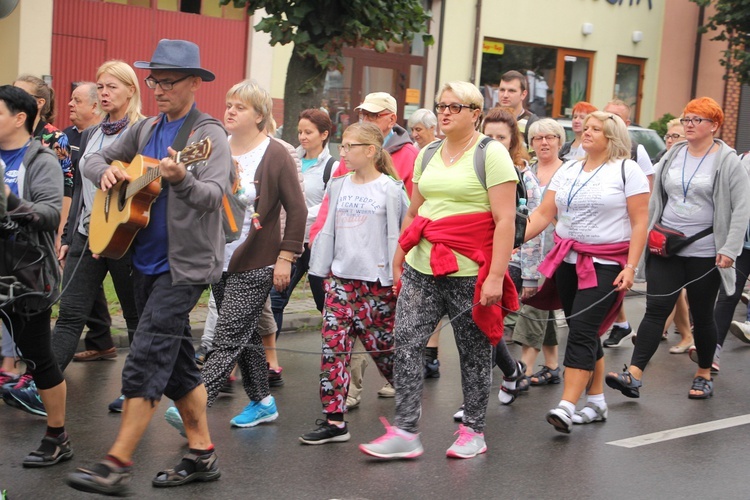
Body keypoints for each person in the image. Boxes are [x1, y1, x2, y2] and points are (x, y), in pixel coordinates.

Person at [66, 39, 231, 495]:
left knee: (146, 354)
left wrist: (183, 178)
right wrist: (107, 174)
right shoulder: (146, 128)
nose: (157, 88)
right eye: (154, 79)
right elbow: (94, 156)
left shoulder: (208, 135)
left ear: (195, 83)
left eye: (169, 81)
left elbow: (214, 197)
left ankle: (116, 463)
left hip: (187, 266)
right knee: (177, 364)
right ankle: (202, 454)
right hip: (144, 260)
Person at [359, 81, 519, 460]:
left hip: (469, 269)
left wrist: (496, 276)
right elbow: (415, 210)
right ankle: (405, 430)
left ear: (475, 112)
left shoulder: (491, 154)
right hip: (421, 265)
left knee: (475, 352)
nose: (444, 112)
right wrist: (400, 253)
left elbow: (505, 219)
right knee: (407, 342)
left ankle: (473, 431)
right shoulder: (428, 152)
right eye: (441, 105)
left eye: (454, 106)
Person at [606, 97, 750, 401]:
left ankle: (703, 374)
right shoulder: (674, 154)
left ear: (714, 125)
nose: (689, 125)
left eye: (697, 120)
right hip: (666, 247)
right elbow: (650, 187)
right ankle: (633, 375)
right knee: (656, 309)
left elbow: (741, 208)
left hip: (706, 251)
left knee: (702, 315)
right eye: (686, 119)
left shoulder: (728, 161)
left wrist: (730, 248)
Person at [523, 111, 650, 433]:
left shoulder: (627, 170)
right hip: (567, 262)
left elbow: (639, 223)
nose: (587, 132)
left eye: (597, 129)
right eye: (587, 127)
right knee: (586, 330)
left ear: (613, 137)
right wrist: (510, 241)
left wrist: (631, 267)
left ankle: (566, 405)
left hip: (607, 264)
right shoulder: (569, 169)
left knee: (579, 331)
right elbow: (543, 213)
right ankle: (596, 402)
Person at [191, 79, 306, 429]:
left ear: (260, 116)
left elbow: (297, 210)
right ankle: (262, 401)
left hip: (257, 259)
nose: (230, 111)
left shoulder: (276, 154)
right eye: (228, 104)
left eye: (239, 107)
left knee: (226, 338)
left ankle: (194, 406)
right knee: (247, 332)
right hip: (217, 259)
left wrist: (286, 257)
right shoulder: (213, 148)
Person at [299, 122, 409, 445]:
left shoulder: (391, 189)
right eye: (342, 146)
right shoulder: (339, 185)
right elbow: (328, 227)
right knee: (333, 351)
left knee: (386, 354)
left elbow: (403, 235)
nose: (342, 153)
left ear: (371, 151)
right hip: (340, 282)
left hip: (376, 286)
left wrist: (400, 274)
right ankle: (334, 422)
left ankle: (408, 412)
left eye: (349, 147)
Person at [330, 92, 419, 401]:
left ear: (390, 119)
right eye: (363, 114)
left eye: (373, 114)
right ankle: (339, 406)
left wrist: (400, 269)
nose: (365, 119)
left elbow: (408, 222)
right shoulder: (342, 170)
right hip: (342, 275)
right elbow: (328, 219)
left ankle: (406, 390)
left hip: (378, 277)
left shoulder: (404, 165)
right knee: (334, 346)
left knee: (381, 345)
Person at [0, 85, 68, 467]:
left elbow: (49, 215)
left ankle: (57, 436)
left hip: (26, 275)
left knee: (38, 357)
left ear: (19, 117)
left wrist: (7, 200)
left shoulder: (41, 160)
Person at [269, 109, 333, 341]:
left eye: (309, 132)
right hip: (290, 241)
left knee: (325, 303)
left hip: (316, 243)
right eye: (300, 132)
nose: (303, 137)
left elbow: (329, 204)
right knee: (275, 300)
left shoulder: (331, 166)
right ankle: (269, 359)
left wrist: (301, 212)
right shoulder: (289, 158)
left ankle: (335, 351)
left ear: (324, 134)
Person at [513, 118, 567, 388]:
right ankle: (553, 365)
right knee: (541, 304)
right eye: (537, 138)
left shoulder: (570, 172)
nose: (544, 143)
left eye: (550, 137)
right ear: (531, 144)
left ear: (560, 140)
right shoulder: (526, 173)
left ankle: (524, 367)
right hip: (527, 250)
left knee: (534, 303)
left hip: (558, 253)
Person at [600, 98, 655, 349]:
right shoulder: (593, 146)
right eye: (606, 116)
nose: (610, 121)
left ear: (627, 123)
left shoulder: (636, 150)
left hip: (621, 228)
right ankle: (620, 323)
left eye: (617, 118)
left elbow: (647, 192)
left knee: (610, 279)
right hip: (598, 226)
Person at [653, 118, 693, 354]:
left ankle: (662, 328)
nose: (669, 140)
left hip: (688, 237)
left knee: (676, 286)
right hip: (662, 233)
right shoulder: (663, 161)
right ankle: (683, 333)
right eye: (668, 136)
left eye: (675, 136)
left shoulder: (692, 163)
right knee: (674, 287)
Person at [497, 70, 538, 145]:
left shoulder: (532, 124)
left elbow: (534, 156)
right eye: (502, 90)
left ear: (523, 94)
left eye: (511, 91)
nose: (505, 95)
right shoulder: (489, 120)